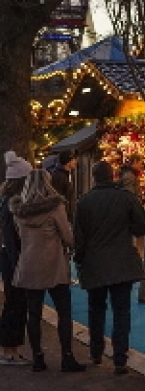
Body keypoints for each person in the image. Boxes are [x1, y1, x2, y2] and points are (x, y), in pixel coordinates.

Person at [73, 161, 145, 375]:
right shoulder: (125, 197)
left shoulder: (84, 202)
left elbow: (78, 237)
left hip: (95, 263)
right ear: (112, 175)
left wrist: (79, 259)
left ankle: (96, 352)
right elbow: (144, 224)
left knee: (96, 310)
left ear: (94, 177)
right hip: (121, 262)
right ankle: (120, 359)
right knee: (121, 311)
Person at [11, 169, 85, 372]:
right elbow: (68, 238)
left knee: (33, 313)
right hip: (54, 266)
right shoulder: (55, 207)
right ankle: (67, 357)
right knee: (64, 312)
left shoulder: (19, 211)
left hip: (29, 265)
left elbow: (20, 238)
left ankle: (38, 358)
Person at [0, 151, 32, 365]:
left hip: (7, 258)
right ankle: (9, 350)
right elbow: (13, 236)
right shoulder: (14, 203)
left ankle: (10, 348)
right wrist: (18, 261)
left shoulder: (4, 200)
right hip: (13, 260)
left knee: (14, 302)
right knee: (16, 303)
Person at [49, 150, 77, 224]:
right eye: (73, 159)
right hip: (63, 217)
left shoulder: (67, 175)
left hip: (67, 215)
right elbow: (57, 197)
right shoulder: (59, 177)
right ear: (68, 162)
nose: (75, 161)